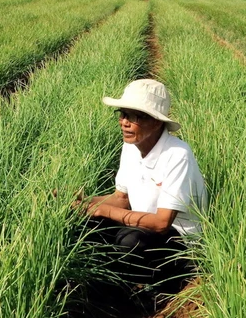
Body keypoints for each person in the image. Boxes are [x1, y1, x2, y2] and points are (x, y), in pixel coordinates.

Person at [73, 78, 207, 292]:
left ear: (156, 122)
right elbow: (121, 199)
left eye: (135, 117)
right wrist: (83, 203)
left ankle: (148, 289)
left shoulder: (177, 155)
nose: (124, 122)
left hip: (179, 242)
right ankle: (103, 288)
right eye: (123, 114)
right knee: (84, 225)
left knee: (130, 242)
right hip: (142, 226)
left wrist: (103, 210)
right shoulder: (131, 146)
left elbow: (162, 223)